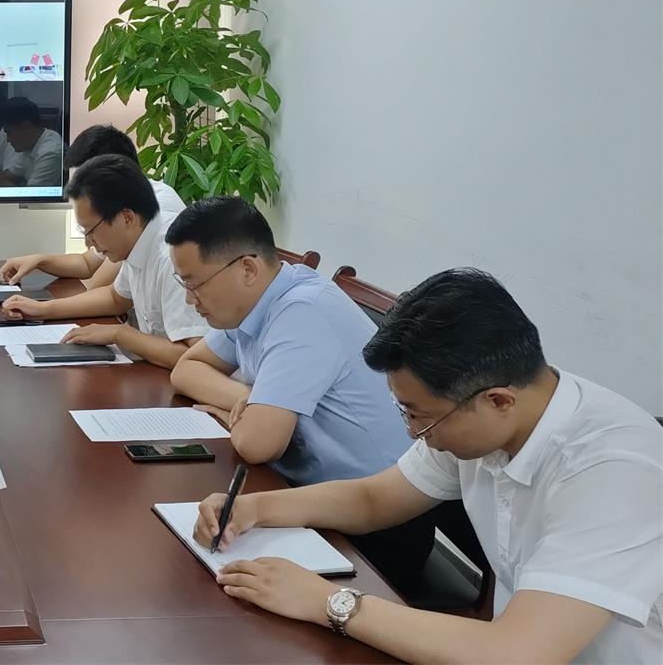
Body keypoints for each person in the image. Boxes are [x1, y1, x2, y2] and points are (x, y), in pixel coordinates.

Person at [193, 269, 663, 664]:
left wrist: (326, 602)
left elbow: (517, 653)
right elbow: (374, 499)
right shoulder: (491, 415)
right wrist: (256, 508)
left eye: (419, 416)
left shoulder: (613, 469)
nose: (415, 432)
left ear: (497, 401)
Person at [166, 196, 409, 481]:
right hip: (306, 483)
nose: (189, 298)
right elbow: (185, 370)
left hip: (374, 497)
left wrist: (255, 413)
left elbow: (257, 445)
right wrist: (248, 400)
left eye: (194, 283)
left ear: (248, 269)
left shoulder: (302, 312)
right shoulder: (252, 303)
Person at [0, 155, 207, 369]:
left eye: (91, 231)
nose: (88, 242)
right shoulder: (138, 239)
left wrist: (119, 334)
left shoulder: (172, 258)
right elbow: (115, 298)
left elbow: (194, 358)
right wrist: (43, 309)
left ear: (127, 218)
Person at [0, 124, 185, 289]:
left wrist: (39, 306)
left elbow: (97, 286)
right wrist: (38, 260)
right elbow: (87, 263)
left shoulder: (153, 207)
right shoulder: (120, 201)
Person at [0, 96, 62, 186]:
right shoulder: (30, 145)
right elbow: (10, 176)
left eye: (9, 132)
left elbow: (34, 193)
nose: (8, 140)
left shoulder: (50, 153)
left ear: (25, 126)